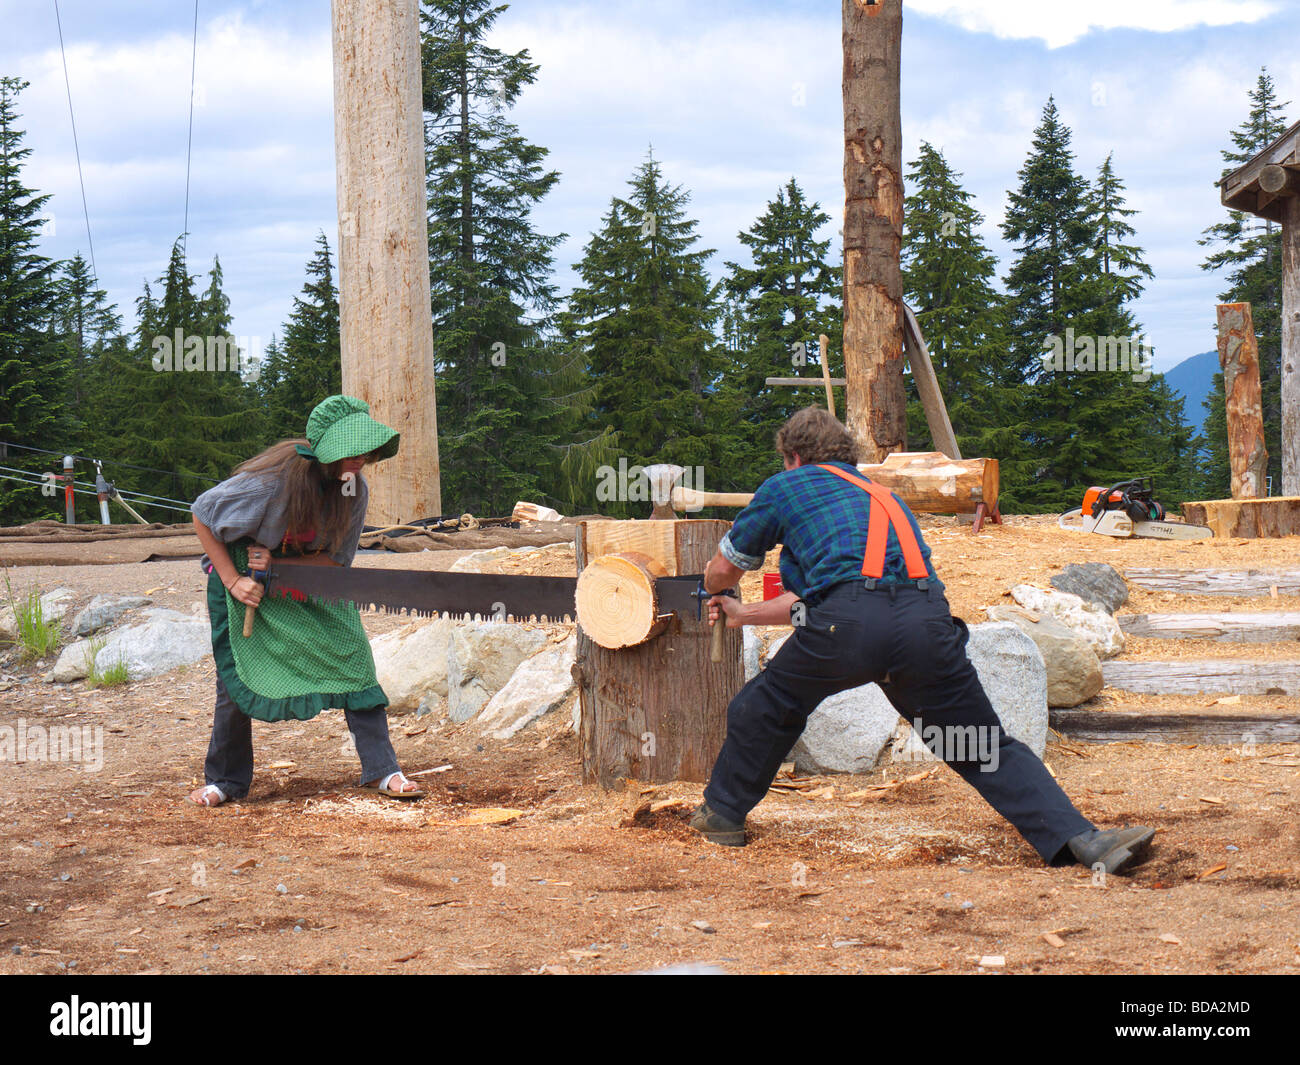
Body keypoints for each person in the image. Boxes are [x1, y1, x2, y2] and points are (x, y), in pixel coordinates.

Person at [691, 407, 1154, 874]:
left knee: (763, 708)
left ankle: (722, 816)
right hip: (925, 625)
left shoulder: (786, 486)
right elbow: (840, 595)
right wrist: (744, 613)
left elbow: (730, 568)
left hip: (847, 627)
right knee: (976, 743)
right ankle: (1083, 840)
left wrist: (714, 590)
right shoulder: (882, 496)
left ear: (792, 456)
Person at [187, 394, 424, 806]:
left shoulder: (354, 490)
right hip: (248, 583)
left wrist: (280, 563)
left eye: (363, 450)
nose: (359, 459)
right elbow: (203, 512)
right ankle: (225, 781)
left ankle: (382, 770)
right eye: (351, 451)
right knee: (241, 677)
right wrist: (232, 579)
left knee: (355, 663)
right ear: (325, 449)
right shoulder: (272, 482)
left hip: (305, 579)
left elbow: (336, 563)